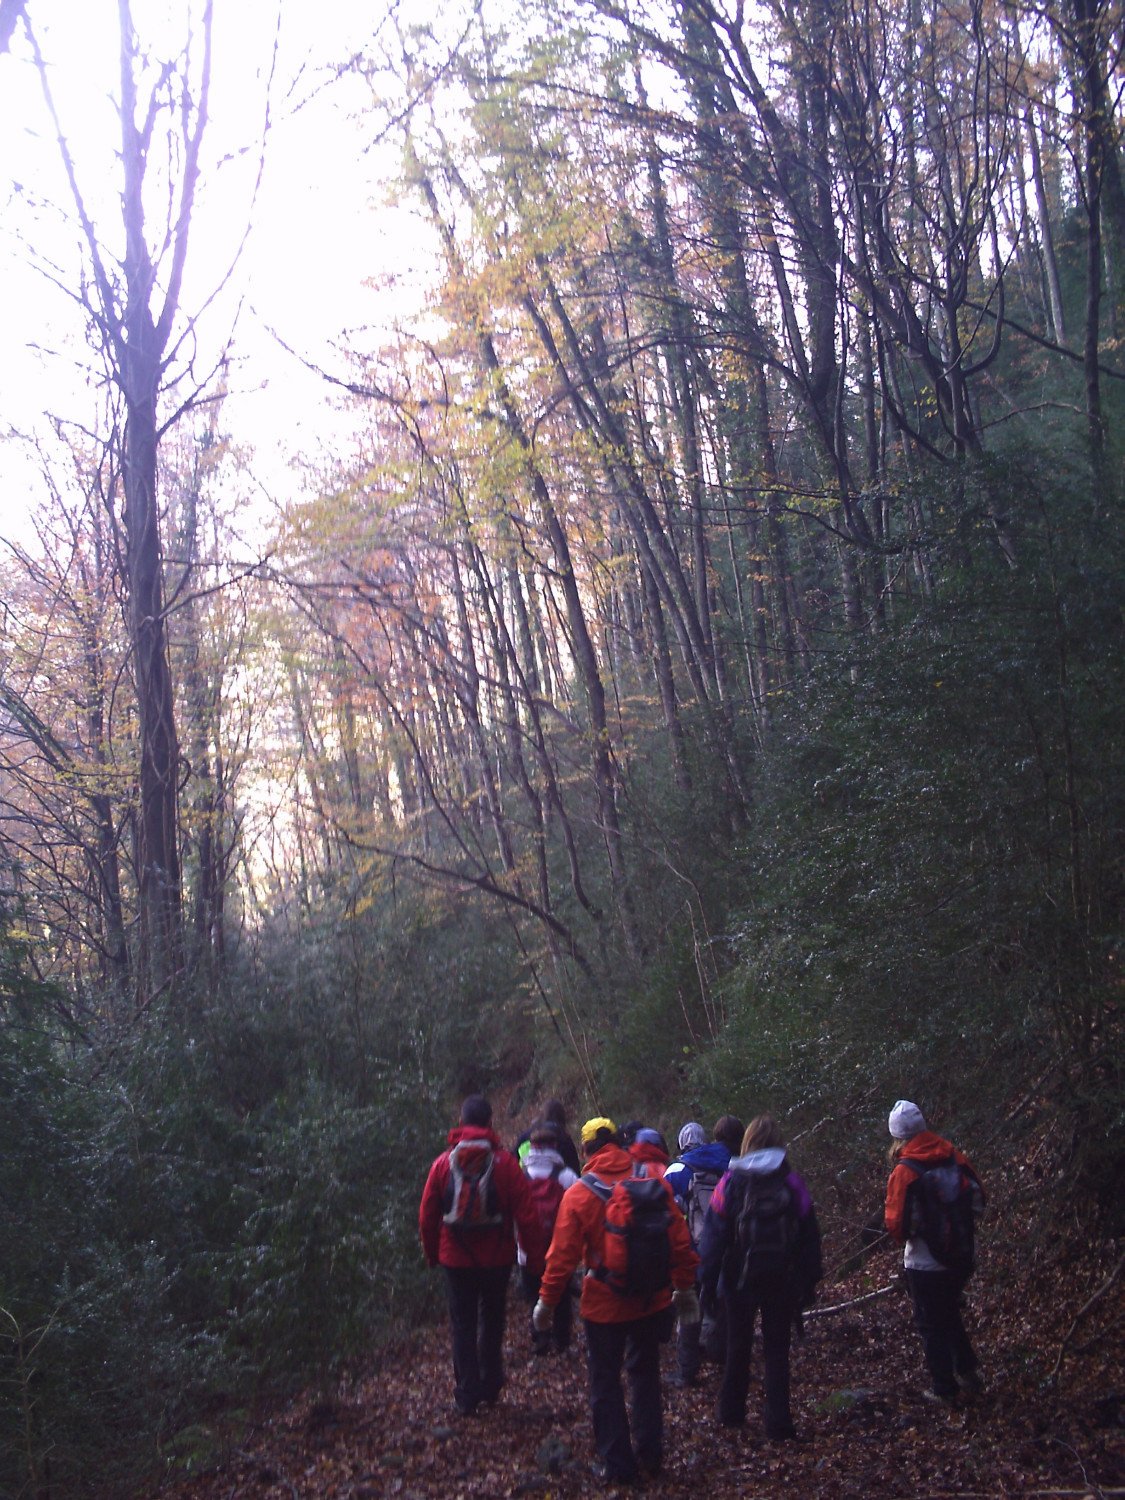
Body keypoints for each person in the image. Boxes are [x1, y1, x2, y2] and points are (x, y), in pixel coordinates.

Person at [533, 1118, 700, 1485]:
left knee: (605, 1383)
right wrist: (685, 1288)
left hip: (604, 1305)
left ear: (586, 1150)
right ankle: (651, 1454)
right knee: (645, 1374)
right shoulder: (651, 1180)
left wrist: (546, 1304)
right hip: (650, 1300)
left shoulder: (578, 1194)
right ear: (618, 1143)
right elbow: (679, 1237)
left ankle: (619, 1466)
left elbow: (561, 1258)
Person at [419, 1094, 545, 1416]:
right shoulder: (505, 1165)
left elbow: (427, 1215)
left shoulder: (442, 1164)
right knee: (492, 1319)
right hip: (497, 1259)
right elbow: (527, 1216)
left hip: (455, 1259)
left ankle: (467, 1392)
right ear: (490, 1123)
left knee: (462, 1324)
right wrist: (533, 1261)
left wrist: (433, 1254)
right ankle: (490, 1384)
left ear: (461, 1123)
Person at [701, 1114, 822, 1439]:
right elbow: (809, 1232)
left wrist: (706, 1281)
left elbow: (714, 1234)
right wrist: (809, 1279)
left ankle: (731, 1412)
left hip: (738, 1278)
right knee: (776, 1350)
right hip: (782, 1278)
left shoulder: (731, 1180)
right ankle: (778, 1422)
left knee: (738, 1344)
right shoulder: (791, 1181)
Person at [884, 1099, 986, 1405]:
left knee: (930, 1322)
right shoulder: (953, 1156)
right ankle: (968, 1372)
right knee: (950, 1311)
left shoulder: (905, 1172)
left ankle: (944, 1388)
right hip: (961, 1256)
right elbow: (980, 1200)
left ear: (896, 1136)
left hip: (924, 1262)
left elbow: (897, 1225)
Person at [665, 1116, 744, 1386]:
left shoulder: (680, 1168)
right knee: (725, 1302)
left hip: (692, 1247)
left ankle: (687, 1371)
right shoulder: (736, 1167)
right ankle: (720, 1355)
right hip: (729, 1246)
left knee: (690, 1306)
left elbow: (667, 1210)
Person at [518, 1117, 579, 1353]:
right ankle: (563, 1339)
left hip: (527, 1251)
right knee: (561, 1295)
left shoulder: (521, 1177)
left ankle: (540, 1337)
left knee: (535, 1294)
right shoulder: (566, 1177)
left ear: (532, 1147)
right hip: (560, 1250)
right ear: (554, 1146)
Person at [515, 1098, 581, 1173]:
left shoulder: (525, 1136)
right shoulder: (564, 1139)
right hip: (558, 1182)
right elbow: (574, 1170)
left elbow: (513, 1162)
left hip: (527, 1180)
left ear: (542, 1114)